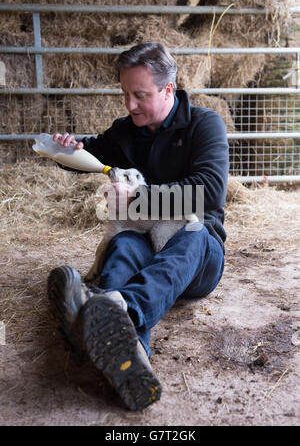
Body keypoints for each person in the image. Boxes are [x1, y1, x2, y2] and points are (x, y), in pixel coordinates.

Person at [47, 41, 229, 411]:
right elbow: (91, 153)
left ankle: (110, 312)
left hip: (196, 254)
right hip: (144, 241)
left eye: (139, 95)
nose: (129, 105)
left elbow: (209, 191)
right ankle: (129, 360)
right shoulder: (126, 130)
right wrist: (64, 150)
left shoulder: (204, 125)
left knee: (192, 235)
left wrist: (139, 201)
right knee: (125, 245)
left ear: (167, 90)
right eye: (125, 94)